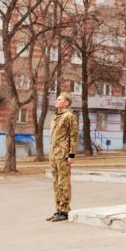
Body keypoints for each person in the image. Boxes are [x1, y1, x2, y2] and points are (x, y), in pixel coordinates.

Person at [47, 92, 78, 222]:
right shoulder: (55, 116)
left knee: (63, 182)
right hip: (54, 154)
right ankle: (58, 209)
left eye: (60, 99)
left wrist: (72, 154)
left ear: (66, 102)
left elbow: (73, 136)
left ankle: (65, 210)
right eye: (57, 99)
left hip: (63, 154)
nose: (57, 101)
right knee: (56, 183)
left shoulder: (69, 116)